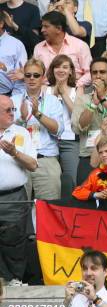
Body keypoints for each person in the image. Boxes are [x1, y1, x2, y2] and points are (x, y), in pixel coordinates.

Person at [12, 59, 64, 202]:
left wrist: (37, 114)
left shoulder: (53, 101)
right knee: (21, 210)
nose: (32, 78)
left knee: (49, 209)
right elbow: (6, 131)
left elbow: (58, 130)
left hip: (46, 159)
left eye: (36, 75)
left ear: (43, 77)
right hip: (19, 160)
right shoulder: (14, 100)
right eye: (28, 75)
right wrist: (21, 119)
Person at [71, 57, 107, 184]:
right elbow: (77, 127)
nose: (98, 76)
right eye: (94, 72)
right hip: (89, 155)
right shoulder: (82, 99)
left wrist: (102, 97)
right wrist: (92, 104)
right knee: (86, 201)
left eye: (102, 72)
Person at [0, 95, 36, 287]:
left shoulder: (21, 132)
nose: (12, 113)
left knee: (14, 242)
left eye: (13, 109)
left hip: (13, 197)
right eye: (7, 110)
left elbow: (33, 165)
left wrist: (15, 153)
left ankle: (15, 280)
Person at [33, 11, 92, 88]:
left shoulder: (80, 46)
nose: (42, 30)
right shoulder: (38, 48)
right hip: (46, 93)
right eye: (42, 26)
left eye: (46, 26)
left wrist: (76, 87)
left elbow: (90, 73)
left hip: (75, 91)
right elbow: (35, 74)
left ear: (58, 29)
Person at [46, 55, 79, 186]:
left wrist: (63, 93)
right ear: (52, 70)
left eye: (65, 67)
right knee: (50, 180)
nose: (61, 70)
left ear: (71, 71)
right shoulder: (45, 89)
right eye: (57, 66)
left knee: (72, 180)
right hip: (48, 140)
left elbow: (77, 115)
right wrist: (55, 94)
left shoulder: (77, 90)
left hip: (69, 140)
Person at [0, 12, 27, 97]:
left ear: (1, 23)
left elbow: (20, 77)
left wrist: (14, 100)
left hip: (7, 96)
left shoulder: (16, 45)